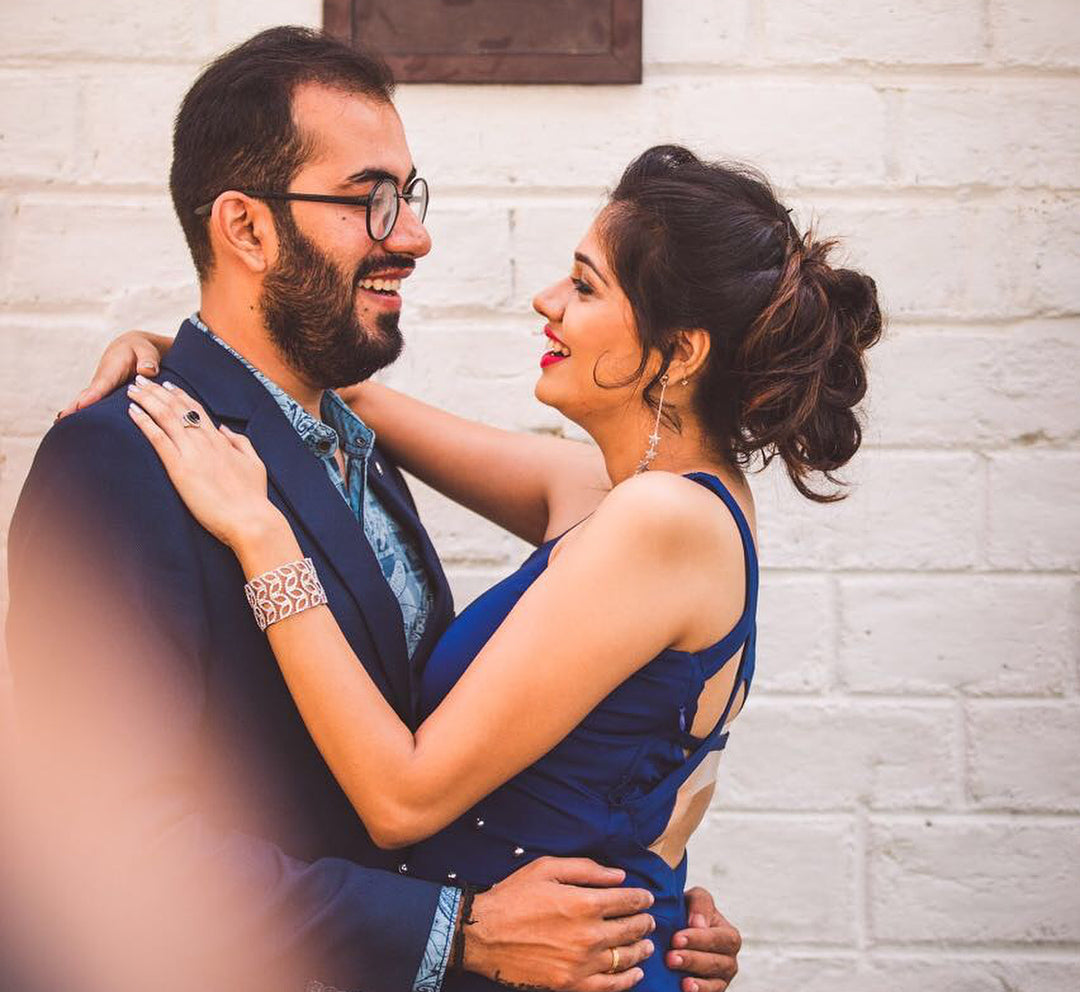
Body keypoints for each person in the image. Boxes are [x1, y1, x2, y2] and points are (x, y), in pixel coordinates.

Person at [5, 27, 743, 992]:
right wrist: (452, 932)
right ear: (248, 229)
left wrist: (643, 914)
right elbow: (87, 845)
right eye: (371, 201)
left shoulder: (355, 447)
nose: (414, 234)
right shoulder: (116, 459)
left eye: (411, 195)